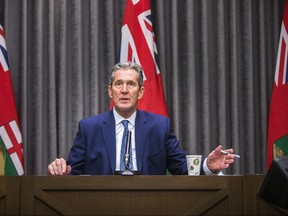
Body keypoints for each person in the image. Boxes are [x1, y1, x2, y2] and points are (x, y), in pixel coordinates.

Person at [48, 61, 236, 175]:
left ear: (140, 92)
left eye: (131, 84)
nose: (124, 90)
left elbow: (181, 167)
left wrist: (207, 166)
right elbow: (73, 173)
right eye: (118, 84)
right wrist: (61, 170)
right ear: (109, 91)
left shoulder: (159, 126)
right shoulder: (89, 128)